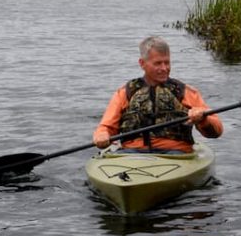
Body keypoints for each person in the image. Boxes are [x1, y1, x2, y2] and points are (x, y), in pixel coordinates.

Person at [93, 36, 223, 152]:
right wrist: (102, 135)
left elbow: (217, 131)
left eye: (167, 62)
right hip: (132, 155)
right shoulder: (125, 93)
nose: (164, 68)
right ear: (142, 63)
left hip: (176, 154)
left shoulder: (185, 92)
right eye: (158, 63)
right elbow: (105, 127)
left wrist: (203, 118)